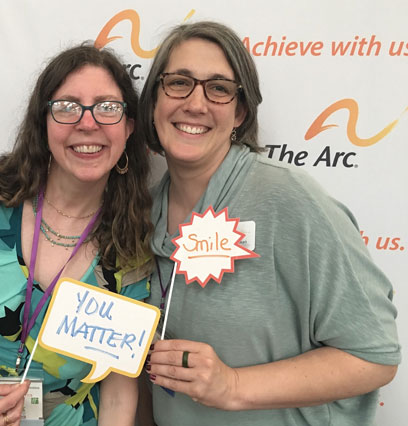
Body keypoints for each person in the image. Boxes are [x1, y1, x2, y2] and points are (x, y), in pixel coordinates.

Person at [136, 21, 400, 426]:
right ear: (154, 99)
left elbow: (374, 356)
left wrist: (233, 385)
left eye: (219, 88)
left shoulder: (289, 198)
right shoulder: (144, 210)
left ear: (240, 111)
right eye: (178, 83)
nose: (195, 103)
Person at [0, 44, 154, 426]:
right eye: (68, 106)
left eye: (107, 107)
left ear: (129, 127)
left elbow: (117, 390)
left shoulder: (131, 250)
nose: (88, 123)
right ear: (43, 123)